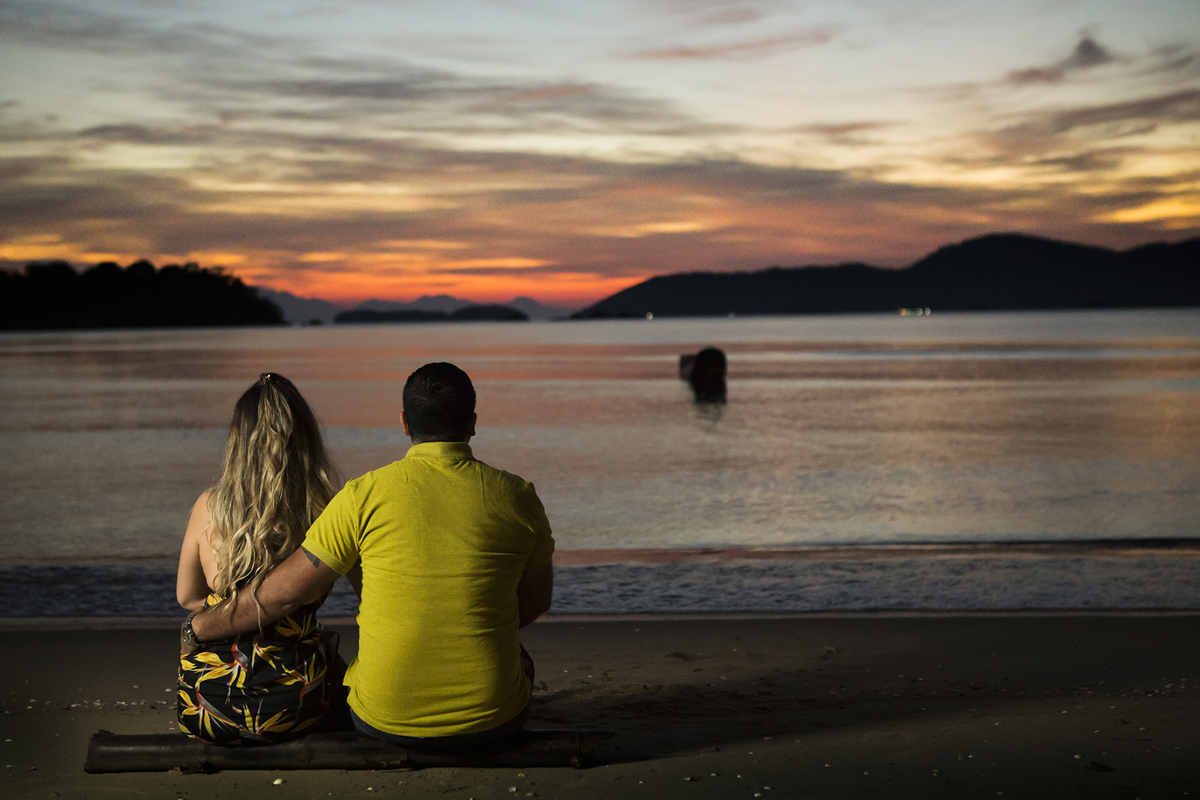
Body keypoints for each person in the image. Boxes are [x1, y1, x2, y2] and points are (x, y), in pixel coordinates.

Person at [182, 362, 555, 748]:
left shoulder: (363, 496)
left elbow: (283, 594)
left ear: (404, 424)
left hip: (383, 719)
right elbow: (535, 602)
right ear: (472, 422)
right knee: (515, 655)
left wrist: (199, 628)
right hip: (492, 721)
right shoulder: (519, 497)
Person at [176, 372, 345, 745]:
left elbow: (188, 597)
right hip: (294, 708)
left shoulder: (210, 507)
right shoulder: (324, 509)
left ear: (239, 439)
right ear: (305, 438)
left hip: (205, 707)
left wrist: (230, 609)